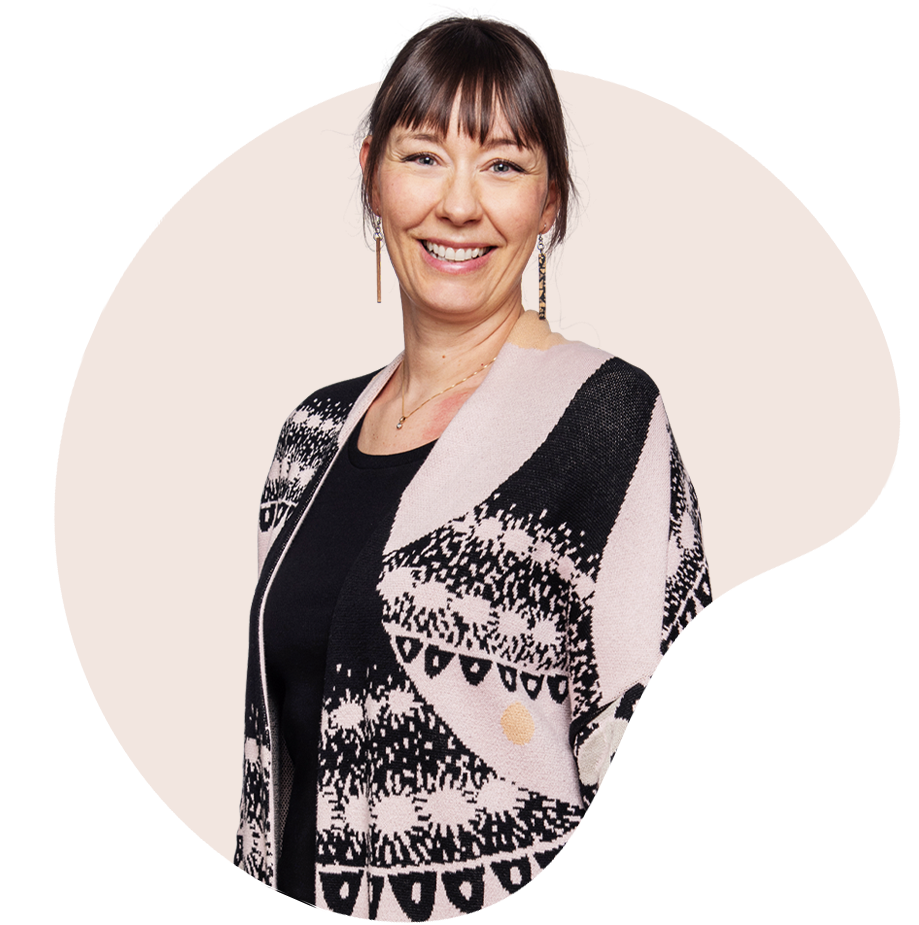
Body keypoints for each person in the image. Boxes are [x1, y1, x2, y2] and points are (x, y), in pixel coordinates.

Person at [224, 6, 721, 923]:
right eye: (423, 156)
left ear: (550, 200)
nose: (458, 204)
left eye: (502, 164)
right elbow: (277, 782)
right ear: (371, 175)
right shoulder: (311, 435)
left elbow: (658, 771)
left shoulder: (603, 419)